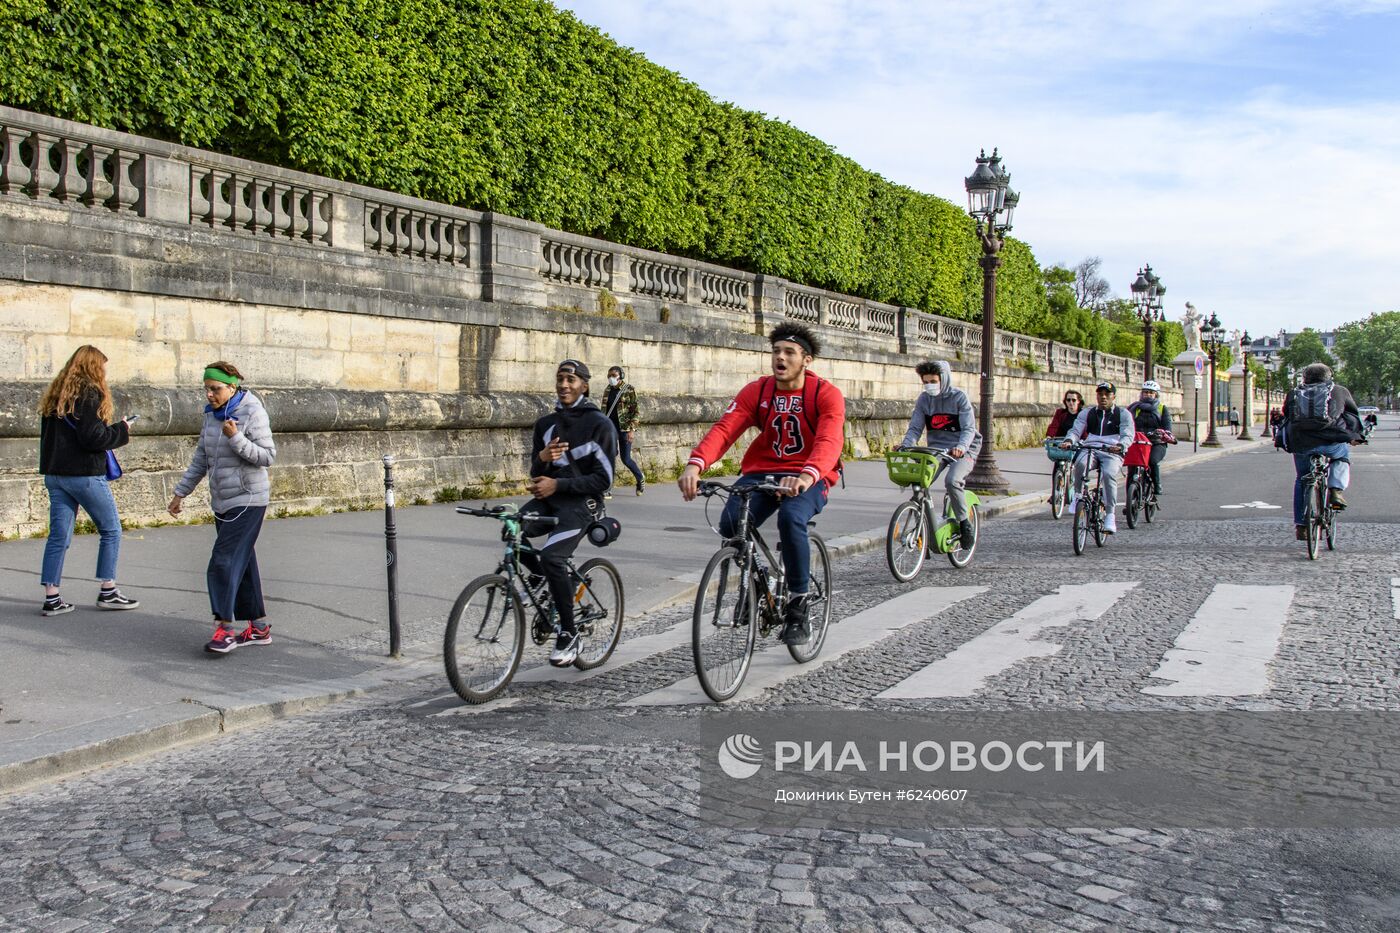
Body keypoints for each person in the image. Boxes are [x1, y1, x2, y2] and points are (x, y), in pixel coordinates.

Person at [678, 323, 845, 646]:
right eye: (776, 351)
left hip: (810, 474)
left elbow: (829, 440)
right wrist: (696, 464)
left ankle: (798, 602)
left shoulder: (825, 394)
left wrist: (806, 476)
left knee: (791, 519)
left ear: (806, 360)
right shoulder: (759, 391)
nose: (780, 358)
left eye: (789, 352)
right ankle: (759, 580)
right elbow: (726, 429)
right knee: (731, 524)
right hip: (763, 471)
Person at [168, 362, 277, 654]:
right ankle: (258, 628)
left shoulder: (252, 411)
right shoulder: (211, 415)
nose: (209, 394)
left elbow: (267, 457)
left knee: (223, 561)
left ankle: (225, 630)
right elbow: (201, 459)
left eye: (215, 389)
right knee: (243, 563)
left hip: (248, 499)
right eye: (206, 389)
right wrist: (180, 493)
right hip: (222, 500)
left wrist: (236, 438)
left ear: (232, 387)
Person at [522, 359, 617, 666]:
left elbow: (604, 480)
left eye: (571, 380)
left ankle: (569, 633)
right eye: (560, 378)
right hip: (551, 498)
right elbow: (536, 470)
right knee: (512, 528)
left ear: (584, 386)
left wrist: (557, 484)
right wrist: (542, 458)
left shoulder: (599, 425)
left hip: (582, 504)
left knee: (553, 557)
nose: (564, 385)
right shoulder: (545, 424)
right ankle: (539, 574)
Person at [36, 345, 140, 616]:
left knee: (58, 536)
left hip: (55, 475)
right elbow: (93, 438)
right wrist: (122, 429)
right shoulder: (90, 393)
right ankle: (108, 590)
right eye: (102, 367)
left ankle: (52, 597)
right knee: (111, 530)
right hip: (83, 475)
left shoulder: (56, 395)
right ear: (94, 367)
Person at [899, 360, 979, 543]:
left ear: (944, 379)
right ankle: (922, 524)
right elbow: (915, 428)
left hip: (963, 448)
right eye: (926, 382)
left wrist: (961, 448)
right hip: (937, 449)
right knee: (921, 481)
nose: (929, 385)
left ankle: (964, 523)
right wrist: (905, 445)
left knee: (952, 481)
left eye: (933, 381)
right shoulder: (924, 399)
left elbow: (969, 429)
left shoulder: (959, 397)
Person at [1281, 363, 1364, 540]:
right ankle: (1336, 491)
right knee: (1342, 454)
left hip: (1301, 443)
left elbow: (1286, 414)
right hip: (1330, 442)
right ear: (1329, 377)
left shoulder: (1294, 393)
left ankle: (1301, 526)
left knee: (1302, 479)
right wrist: (1354, 436)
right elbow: (1352, 416)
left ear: (1305, 378)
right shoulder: (1339, 391)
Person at [1061, 381, 1135, 534]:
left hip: (1112, 450)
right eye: (1100, 394)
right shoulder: (1087, 413)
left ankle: (1110, 515)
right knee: (1080, 464)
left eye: (1107, 394)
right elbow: (1076, 430)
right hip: (1091, 447)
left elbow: (1128, 434)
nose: (1103, 397)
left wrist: (1121, 445)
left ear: (1113, 396)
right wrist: (1069, 441)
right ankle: (1078, 496)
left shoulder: (1123, 414)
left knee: (1109, 474)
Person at [602, 366, 645, 497]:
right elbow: (603, 410)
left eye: (613, 375)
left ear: (621, 376)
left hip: (625, 429)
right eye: (609, 375)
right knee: (610, 455)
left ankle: (640, 478)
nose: (611, 378)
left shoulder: (629, 389)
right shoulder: (607, 390)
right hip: (610, 429)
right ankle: (607, 488)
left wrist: (632, 430)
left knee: (625, 459)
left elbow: (635, 411)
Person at [1126, 381, 1173, 496]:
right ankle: (1130, 498)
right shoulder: (1134, 408)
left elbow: (1167, 426)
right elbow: (1126, 423)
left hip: (1156, 443)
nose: (1148, 395)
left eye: (1151, 393)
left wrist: (1165, 434)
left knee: (1152, 461)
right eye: (1145, 392)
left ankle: (1157, 484)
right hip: (1138, 442)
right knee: (1132, 466)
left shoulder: (1162, 408)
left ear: (1156, 394)